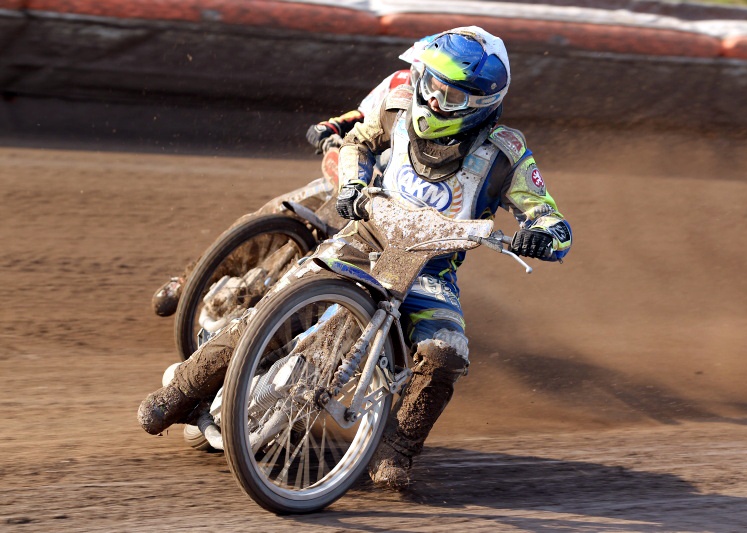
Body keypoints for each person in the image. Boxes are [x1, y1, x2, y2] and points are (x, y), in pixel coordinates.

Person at [138, 27, 572, 492]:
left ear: (481, 104)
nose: (433, 99)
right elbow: (358, 142)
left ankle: (395, 450)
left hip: (430, 272)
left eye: (450, 96)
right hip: (361, 238)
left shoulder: (507, 154)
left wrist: (544, 236)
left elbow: (552, 219)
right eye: (431, 84)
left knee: (446, 350)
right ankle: (179, 392)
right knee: (278, 302)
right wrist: (352, 183)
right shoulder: (397, 106)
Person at [150, 68, 412, 318]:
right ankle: (188, 282)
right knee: (274, 213)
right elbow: (362, 116)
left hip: (391, 207)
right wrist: (330, 128)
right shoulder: (401, 80)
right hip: (351, 179)